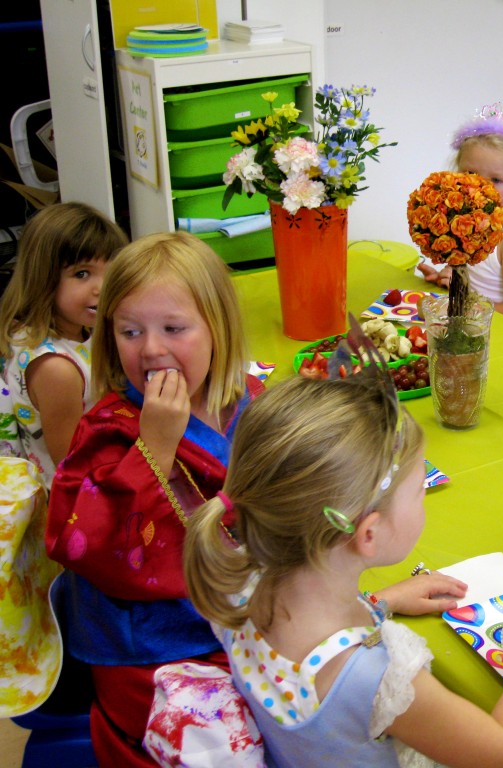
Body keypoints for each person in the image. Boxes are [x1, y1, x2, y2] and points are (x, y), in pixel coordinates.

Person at [184, 371, 503, 768]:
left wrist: (384, 600)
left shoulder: (237, 581)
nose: (423, 501)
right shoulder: (378, 678)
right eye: (419, 492)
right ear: (369, 534)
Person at [45, 232, 267, 766]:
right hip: (152, 651)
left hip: (241, 617)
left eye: (174, 328)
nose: (149, 348)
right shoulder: (105, 428)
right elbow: (84, 543)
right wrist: (155, 446)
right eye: (129, 330)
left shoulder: (246, 402)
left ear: (218, 329)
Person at [0, 202, 127, 486]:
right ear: (44, 279)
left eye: (112, 271)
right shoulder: (57, 370)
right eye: (82, 274)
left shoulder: (70, 329)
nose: (102, 287)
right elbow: (72, 471)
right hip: (75, 502)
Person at [418, 102, 503, 322]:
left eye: (496, 180)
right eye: (470, 173)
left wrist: (461, 301)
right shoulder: (468, 220)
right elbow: (476, 277)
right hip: (465, 326)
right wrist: (450, 278)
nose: (479, 187)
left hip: (498, 339)